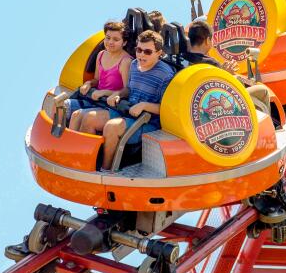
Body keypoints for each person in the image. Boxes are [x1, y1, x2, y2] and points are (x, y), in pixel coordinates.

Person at [98, 30, 175, 169]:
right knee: (88, 118)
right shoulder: (134, 64)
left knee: (112, 127)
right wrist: (118, 94)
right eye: (139, 50)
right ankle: (87, 164)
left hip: (147, 122)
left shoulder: (165, 74)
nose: (141, 55)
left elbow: (165, 109)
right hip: (127, 112)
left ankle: (105, 170)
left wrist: (144, 105)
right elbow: (128, 89)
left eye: (147, 52)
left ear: (159, 53)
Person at [182, 20, 272, 111]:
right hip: (220, 102)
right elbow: (219, 85)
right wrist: (227, 74)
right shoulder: (211, 63)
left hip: (193, 103)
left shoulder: (181, 60)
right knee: (263, 91)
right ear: (207, 40)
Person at [68, 21, 131, 132]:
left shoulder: (125, 61)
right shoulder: (101, 54)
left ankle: (84, 147)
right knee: (67, 109)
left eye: (116, 40)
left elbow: (127, 91)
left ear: (124, 43)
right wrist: (89, 83)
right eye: (108, 38)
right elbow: (97, 80)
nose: (110, 42)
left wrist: (104, 92)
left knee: (84, 117)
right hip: (96, 99)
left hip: (111, 105)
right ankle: (68, 145)